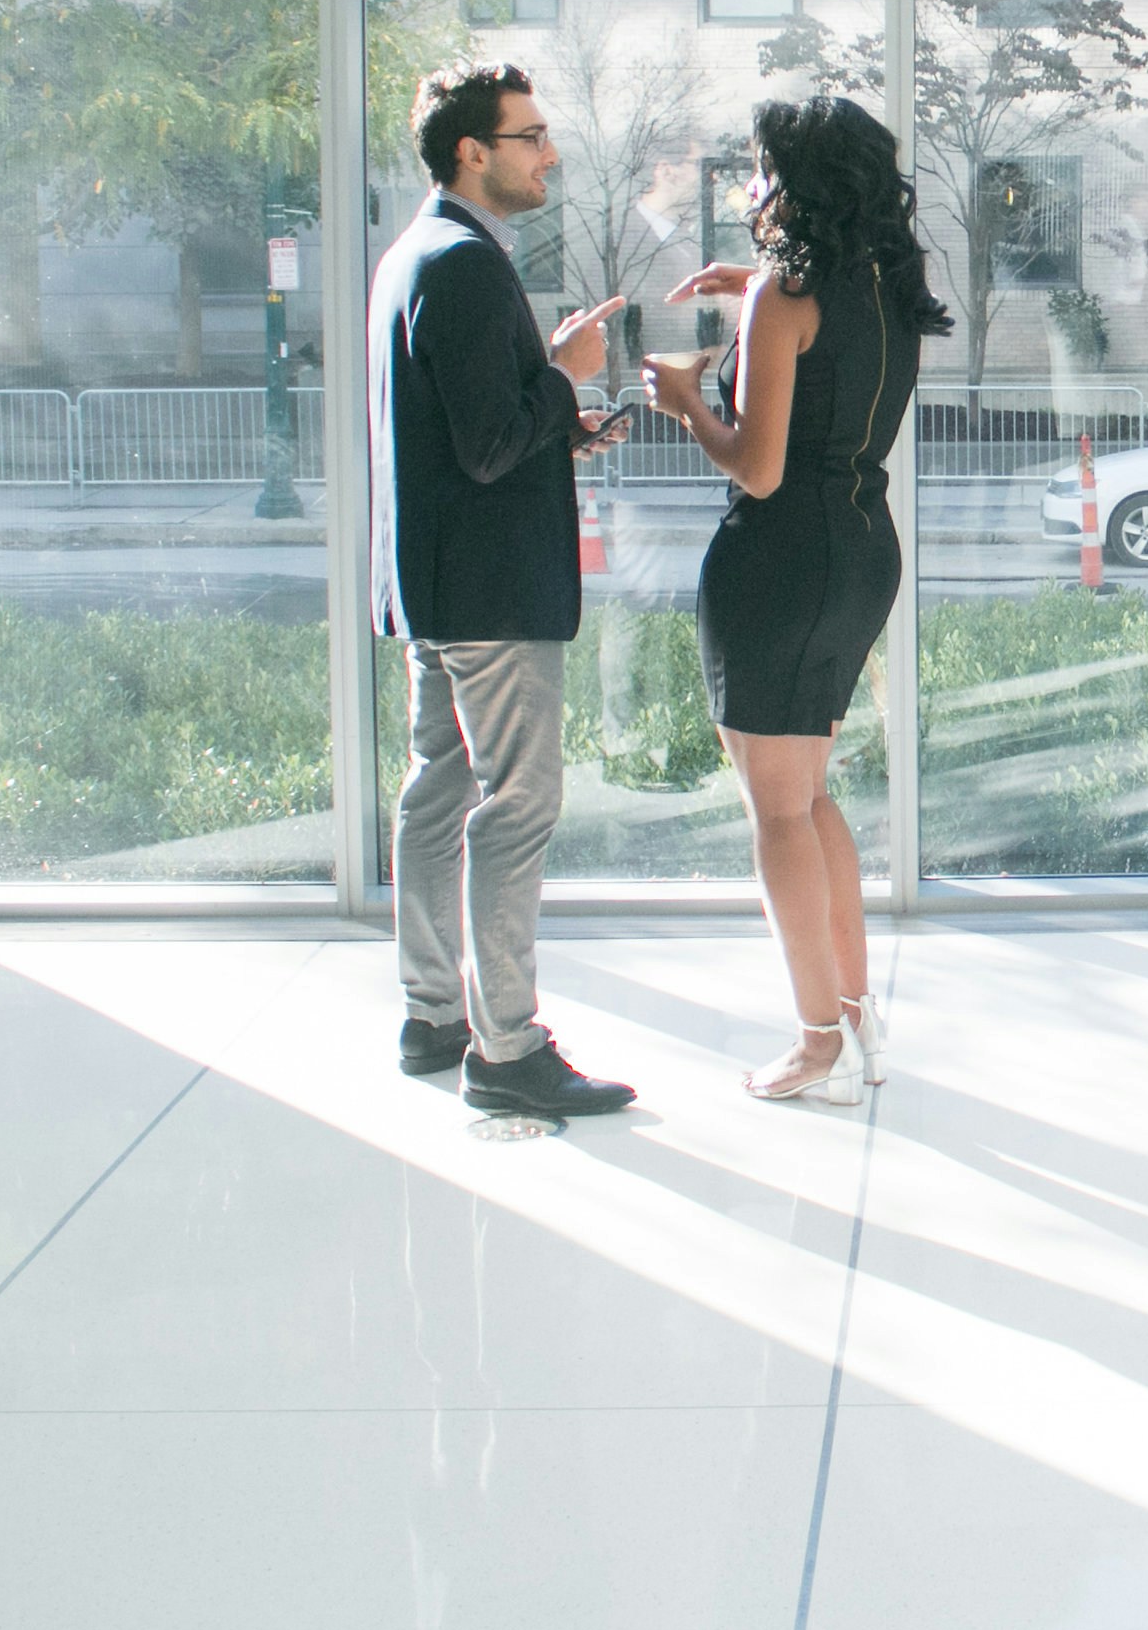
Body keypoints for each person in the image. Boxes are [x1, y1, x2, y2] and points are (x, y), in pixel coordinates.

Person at [639, 96, 952, 1106]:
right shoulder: (888, 284)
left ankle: (820, 1047)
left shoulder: (787, 292)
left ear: (795, 184)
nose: (752, 187)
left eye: (763, 170)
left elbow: (760, 467)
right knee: (808, 797)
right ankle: (856, 1022)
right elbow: (833, 360)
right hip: (863, 549)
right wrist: (754, 300)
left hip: (779, 561)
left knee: (778, 812)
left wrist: (689, 402)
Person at [370, 60, 638, 1117]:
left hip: (435, 588)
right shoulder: (470, 266)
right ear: (472, 151)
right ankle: (507, 1047)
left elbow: (463, 435)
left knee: (437, 790)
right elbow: (489, 448)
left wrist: (561, 421)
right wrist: (565, 372)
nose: (549, 154)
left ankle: (432, 1013)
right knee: (516, 804)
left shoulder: (415, 253)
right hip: (489, 595)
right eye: (529, 137)